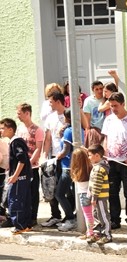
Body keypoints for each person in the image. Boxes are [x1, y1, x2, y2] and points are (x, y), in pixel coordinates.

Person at [102, 92, 127, 231]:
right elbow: (106, 139)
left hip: (126, 162)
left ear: (123, 104)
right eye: (111, 106)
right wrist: (105, 154)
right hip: (112, 161)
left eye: (116, 105)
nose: (113, 109)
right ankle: (115, 219)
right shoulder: (109, 120)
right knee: (112, 192)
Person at [40, 91, 68, 227]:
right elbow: (47, 139)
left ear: (58, 101)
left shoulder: (68, 115)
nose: (49, 104)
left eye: (51, 101)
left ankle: (71, 215)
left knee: (67, 189)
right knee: (51, 186)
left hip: (67, 157)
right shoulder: (50, 118)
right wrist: (44, 156)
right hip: (53, 158)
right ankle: (55, 215)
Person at [0, 118, 32, 234]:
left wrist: (15, 176)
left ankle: (19, 226)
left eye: (2, 128)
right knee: (24, 201)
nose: (1, 131)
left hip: (19, 178)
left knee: (15, 201)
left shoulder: (16, 142)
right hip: (22, 177)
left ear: (10, 129)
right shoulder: (16, 141)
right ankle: (26, 225)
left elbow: (22, 159)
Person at [16, 103, 43, 226]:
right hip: (20, 166)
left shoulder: (37, 130)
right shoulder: (20, 129)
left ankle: (33, 217)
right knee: (23, 193)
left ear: (27, 113)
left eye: (19, 113)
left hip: (32, 167)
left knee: (33, 193)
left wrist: (30, 162)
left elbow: (38, 148)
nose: (18, 116)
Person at [55, 110, 78, 232]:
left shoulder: (69, 131)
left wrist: (57, 157)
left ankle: (71, 219)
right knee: (72, 194)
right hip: (73, 166)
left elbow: (66, 150)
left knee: (59, 194)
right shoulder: (78, 129)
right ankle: (74, 217)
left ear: (67, 118)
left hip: (67, 167)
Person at [87, 144, 111, 244]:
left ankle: (107, 235)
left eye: (90, 155)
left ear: (97, 155)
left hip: (99, 198)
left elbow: (97, 184)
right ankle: (97, 233)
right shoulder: (96, 167)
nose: (88, 157)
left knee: (103, 216)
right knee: (96, 215)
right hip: (96, 198)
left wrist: (94, 197)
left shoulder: (99, 169)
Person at [70, 147, 95, 240]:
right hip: (92, 193)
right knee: (94, 215)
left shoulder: (76, 170)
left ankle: (90, 232)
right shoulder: (91, 168)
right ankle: (93, 232)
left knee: (87, 215)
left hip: (83, 195)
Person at [81, 80, 107, 147]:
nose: (99, 91)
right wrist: (87, 131)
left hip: (106, 130)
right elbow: (87, 117)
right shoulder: (88, 101)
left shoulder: (107, 99)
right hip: (95, 130)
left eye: (101, 88)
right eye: (97, 89)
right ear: (93, 90)